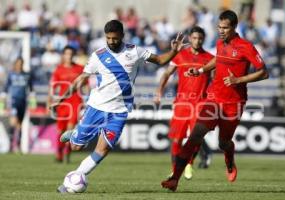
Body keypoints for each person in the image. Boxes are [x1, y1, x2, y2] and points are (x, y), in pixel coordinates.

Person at [50, 20, 184, 193]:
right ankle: (75, 135)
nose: (111, 41)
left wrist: (174, 51)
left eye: (114, 38)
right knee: (76, 147)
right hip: (97, 107)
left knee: (103, 149)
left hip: (119, 111)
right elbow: (80, 79)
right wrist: (61, 100)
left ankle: (72, 182)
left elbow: (159, 60)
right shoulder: (98, 56)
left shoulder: (134, 51)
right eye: (108, 38)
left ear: (122, 35)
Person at [161, 10, 269, 191]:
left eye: (225, 28)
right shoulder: (219, 43)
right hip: (213, 99)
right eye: (219, 27)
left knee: (223, 142)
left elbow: (264, 72)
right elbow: (218, 60)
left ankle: (229, 158)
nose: (221, 31)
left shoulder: (246, 47)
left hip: (234, 103)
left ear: (234, 28)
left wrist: (238, 80)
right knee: (195, 136)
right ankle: (175, 179)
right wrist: (201, 70)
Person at [154, 26, 213, 179]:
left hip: (200, 103)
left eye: (200, 38)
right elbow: (166, 73)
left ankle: (189, 164)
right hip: (182, 104)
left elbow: (216, 79)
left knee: (195, 137)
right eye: (194, 38)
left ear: (204, 39)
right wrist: (159, 91)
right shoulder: (179, 56)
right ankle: (175, 170)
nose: (197, 41)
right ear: (189, 39)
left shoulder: (210, 58)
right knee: (177, 138)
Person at [47, 45, 85, 163]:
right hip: (62, 103)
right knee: (60, 130)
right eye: (67, 54)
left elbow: (86, 84)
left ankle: (67, 154)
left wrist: (87, 99)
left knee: (70, 128)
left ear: (73, 55)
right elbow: (53, 87)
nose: (69, 56)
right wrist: (49, 101)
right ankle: (59, 153)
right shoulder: (58, 70)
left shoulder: (80, 68)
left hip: (75, 102)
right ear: (63, 55)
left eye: (71, 54)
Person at [1, 57, 34, 152]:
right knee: (13, 122)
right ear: (15, 64)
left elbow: (31, 88)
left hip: (23, 101)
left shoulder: (27, 75)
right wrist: (3, 99)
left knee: (20, 124)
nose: (19, 65)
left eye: (21, 63)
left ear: (22, 64)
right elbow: (6, 87)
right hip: (13, 101)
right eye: (18, 63)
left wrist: (32, 101)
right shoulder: (11, 75)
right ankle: (11, 144)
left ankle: (18, 145)